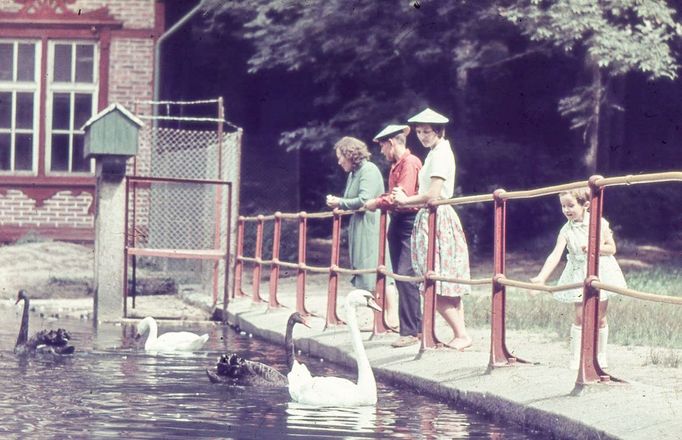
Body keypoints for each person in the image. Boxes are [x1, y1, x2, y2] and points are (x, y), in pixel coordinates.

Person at [392, 108, 473, 350]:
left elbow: (433, 194)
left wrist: (405, 200)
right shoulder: (435, 152)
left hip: (437, 217)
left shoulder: (439, 155)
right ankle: (460, 334)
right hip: (433, 217)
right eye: (418, 132)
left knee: (433, 280)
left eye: (427, 131)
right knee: (441, 279)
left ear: (438, 131)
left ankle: (462, 334)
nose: (422, 136)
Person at [530, 187, 627, 369]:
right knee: (580, 316)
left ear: (586, 205)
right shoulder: (566, 230)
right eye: (563, 206)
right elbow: (555, 255)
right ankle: (576, 357)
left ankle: (600, 355)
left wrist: (594, 248)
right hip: (577, 273)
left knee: (600, 316)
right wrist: (541, 277)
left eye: (571, 206)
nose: (566, 210)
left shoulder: (600, 223)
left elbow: (612, 249)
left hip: (600, 271)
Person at [326, 136, 398, 325]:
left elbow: (364, 199)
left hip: (371, 225)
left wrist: (340, 201)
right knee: (366, 270)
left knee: (378, 267)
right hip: (360, 226)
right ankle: (380, 317)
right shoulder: (353, 174)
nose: (339, 161)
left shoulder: (369, 170)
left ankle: (392, 316)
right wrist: (339, 204)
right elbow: (354, 200)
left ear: (350, 154)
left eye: (341, 156)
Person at [364, 124, 423, 348]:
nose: (381, 151)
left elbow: (402, 195)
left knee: (405, 273)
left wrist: (376, 202)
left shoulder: (409, 163)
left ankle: (411, 331)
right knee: (401, 274)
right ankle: (413, 327)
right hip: (398, 222)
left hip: (408, 222)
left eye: (382, 146)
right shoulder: (395, 166)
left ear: (392, 143)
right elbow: (393, 195)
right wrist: (383, 199)